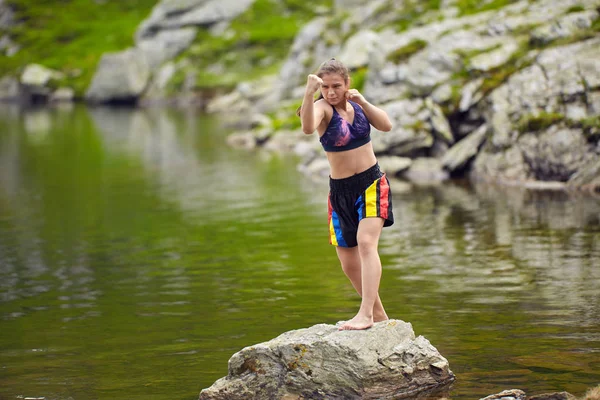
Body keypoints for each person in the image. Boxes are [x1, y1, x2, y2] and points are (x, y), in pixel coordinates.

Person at [298, 58, 394, 331]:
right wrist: (308, 93)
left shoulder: (357, 105)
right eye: (325, 87)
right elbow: (307, 128)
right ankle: (379, 315)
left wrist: (363, 102)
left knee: (366, 243)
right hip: (339, 191)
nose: (330, 92)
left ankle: (365, 315)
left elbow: (386, 125)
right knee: (348, 261)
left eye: (336, 86)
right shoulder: (320, 109)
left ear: (347, 83)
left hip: (372, 183)